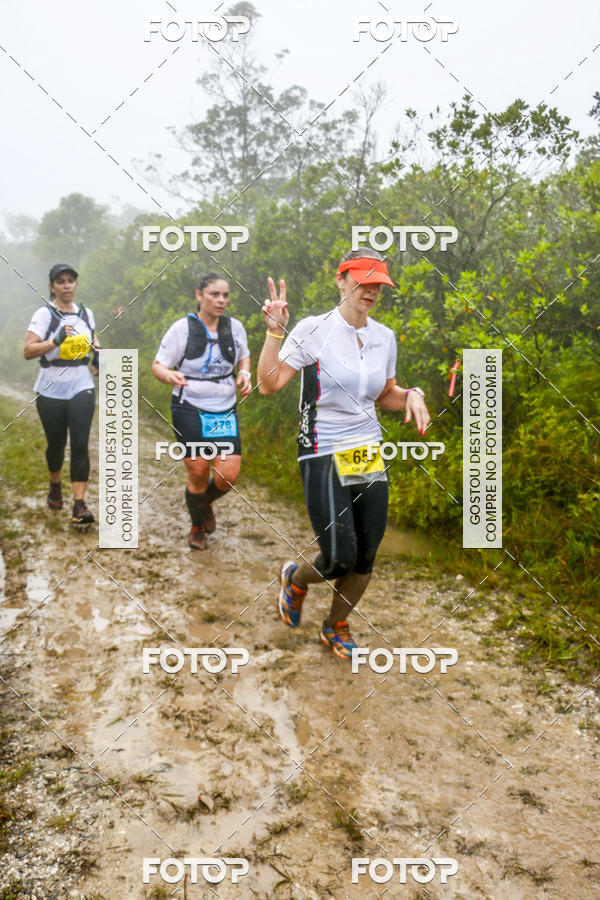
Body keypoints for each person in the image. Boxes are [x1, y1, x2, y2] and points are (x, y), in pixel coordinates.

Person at [257, 248, 430, 660]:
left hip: (365, 449)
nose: (369, 290)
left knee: (366, 554)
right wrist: (274, 332)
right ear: (341, 280)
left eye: (378, 284)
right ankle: (295, 579)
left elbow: (386, 393)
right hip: (321, 446)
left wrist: (412, 395)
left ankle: (336, 626)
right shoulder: (314, 329)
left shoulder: (383, 337)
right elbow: (269, 384)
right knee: (337, 557)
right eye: (362, 280)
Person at [152, 273, 251, 550]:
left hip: (223, 408)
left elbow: (244, 356)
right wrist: (169, 376)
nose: (221, 300)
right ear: (199, 296)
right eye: (214, 294)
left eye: (225, 295)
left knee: (226, 476)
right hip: (189, 406)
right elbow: (158, 365)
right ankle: (197, 526)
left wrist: (244, 372)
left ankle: (203, 502)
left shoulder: (235, 328)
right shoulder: (181, 329)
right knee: (197, 470)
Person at [23, 263, 99, 525]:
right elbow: (27, 351)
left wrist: (98, 355)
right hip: (51, 386)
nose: (67, 285)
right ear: (52, 286)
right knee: (56, 445)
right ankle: (55, 484)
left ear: (75, 285)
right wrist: (54, 341)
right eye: (61, 281)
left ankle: (79, 504)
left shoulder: (86, 313)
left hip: (81, 384)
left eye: (71, 280)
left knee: (80, 444)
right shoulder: (44, 315)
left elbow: (93, 340)